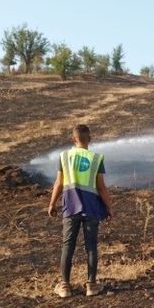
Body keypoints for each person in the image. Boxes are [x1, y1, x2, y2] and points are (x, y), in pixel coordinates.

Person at [48, 124, 113, 298]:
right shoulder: (96, 158)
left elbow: (59, 183)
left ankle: (64, 287)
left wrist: (52, 203)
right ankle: (91, 285)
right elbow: (101, 187)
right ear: (89, 139)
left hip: (70, 207)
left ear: (73, 139)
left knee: (67, 246)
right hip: (91, 208)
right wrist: (108, 207)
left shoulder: (64, 156)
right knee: (91, 246)